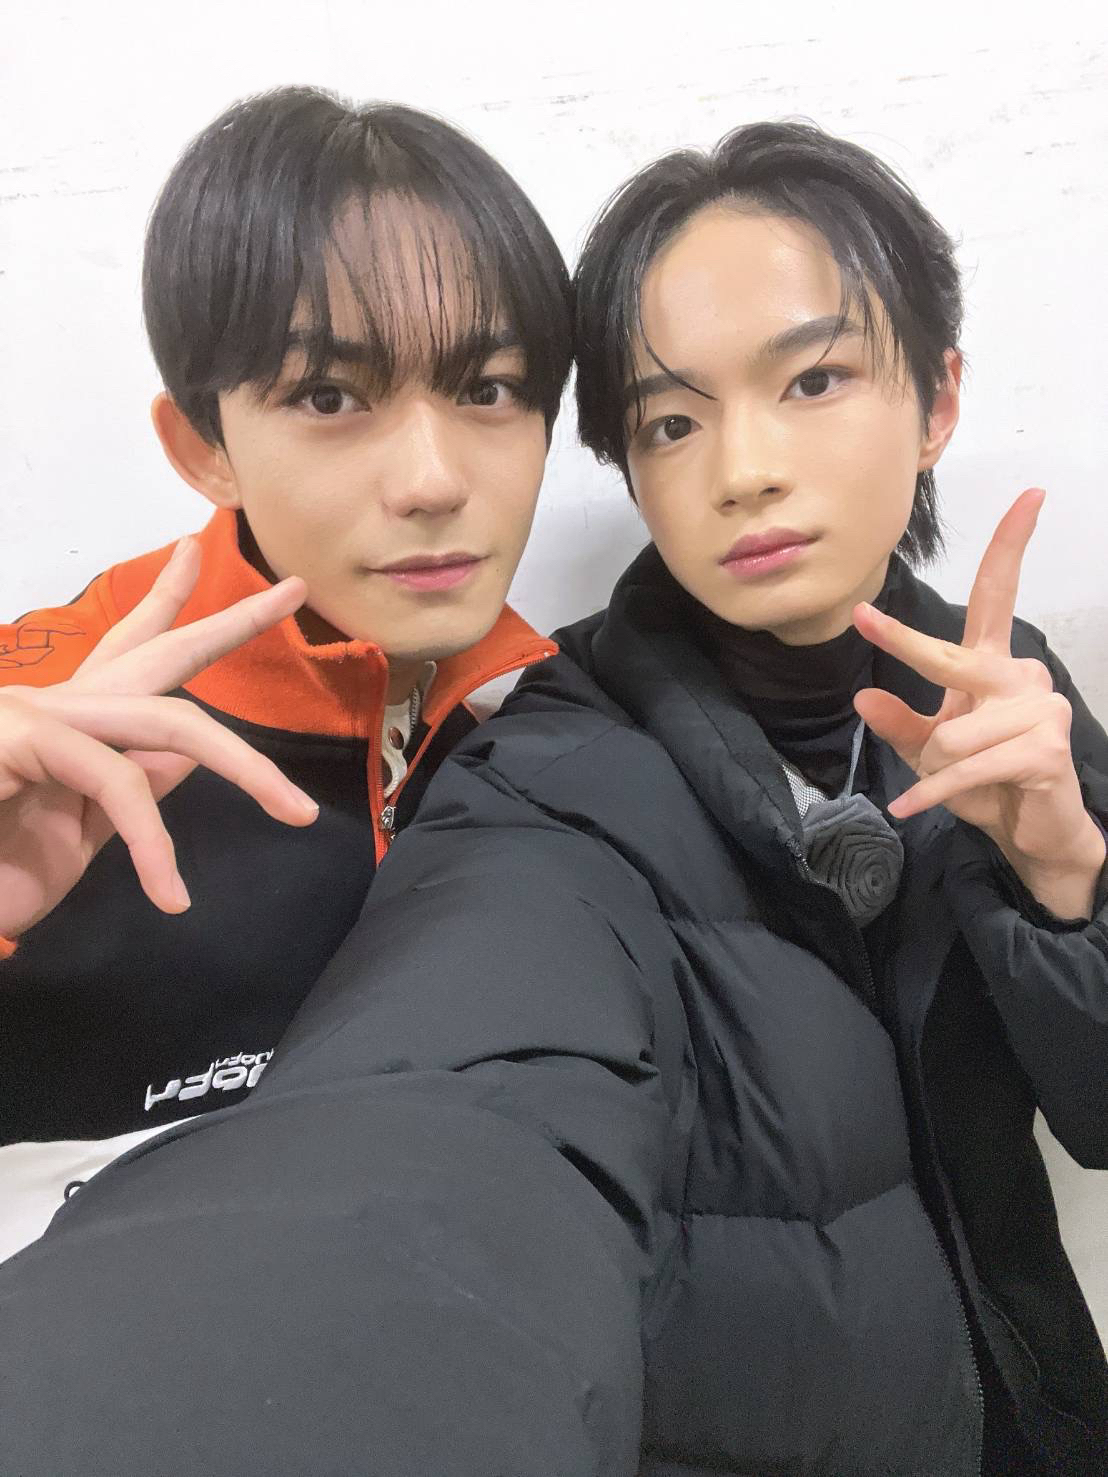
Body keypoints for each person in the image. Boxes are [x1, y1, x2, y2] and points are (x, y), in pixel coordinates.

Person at [1, 122, 1105, 1477]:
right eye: (672, 419)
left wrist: (1066, 887)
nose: (745, 468)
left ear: (936, 401)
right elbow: (457, 1097)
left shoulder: (1012, 696)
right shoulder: (547, 758)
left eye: (814, 378)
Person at [0, 84, 569, 1246]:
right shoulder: (41, 717)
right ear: (203, 445)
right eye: (328, 395)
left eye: (489, 388)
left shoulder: (559, 720)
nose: (432, 479)